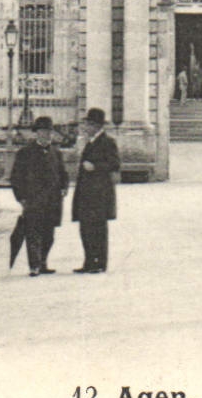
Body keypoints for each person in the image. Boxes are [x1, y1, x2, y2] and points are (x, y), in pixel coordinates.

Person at [10, 116, 68, 276]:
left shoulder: (56, 153)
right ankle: (34, 265)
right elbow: (16, 177)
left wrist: (64, 188)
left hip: (52, 200)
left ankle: (43, 262)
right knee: (33, 233)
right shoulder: (25, 153)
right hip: (33, 200)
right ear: (36, 133)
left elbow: (63, 173)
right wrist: (21, 197)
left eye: (49, 131)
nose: (47, 134)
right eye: (43, 131)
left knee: (49, 235)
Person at [71, 107, 120, 273]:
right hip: (86, 194)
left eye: (89, 124)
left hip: (99, 194)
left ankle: (100, 263)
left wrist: (95, 167)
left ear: (97, 126)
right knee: (85, 229)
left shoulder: (108, 142)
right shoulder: (90, 142)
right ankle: (89, 261)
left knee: (98, 229)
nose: (86, 127)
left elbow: (114, 164)